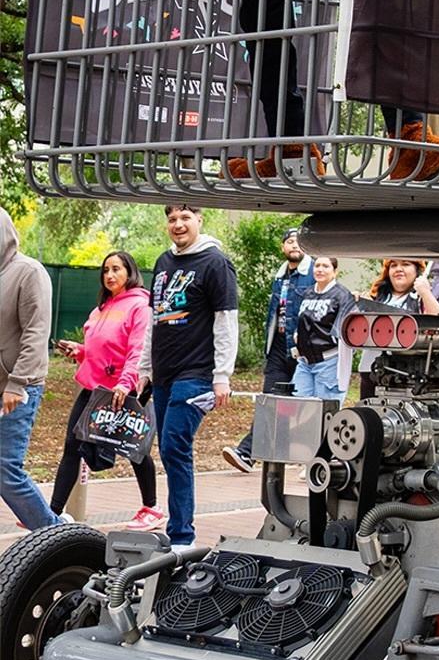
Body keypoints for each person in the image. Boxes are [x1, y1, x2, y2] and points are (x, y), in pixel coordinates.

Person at [139, 204, 238, 548]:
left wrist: (222, 375)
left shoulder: (215, 263)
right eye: (172, 219)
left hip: (196, 373)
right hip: (163, 374)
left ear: (199, 219)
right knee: (168, 452)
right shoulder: (163, 262)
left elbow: (226, 321)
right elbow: (153, 319)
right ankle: (179, 530)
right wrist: (144, 369)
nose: (178, 224)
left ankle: (183, 537)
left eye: (185, 218)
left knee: (174, 445)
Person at [51, 251, 162, 530]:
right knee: (72, 446)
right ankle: (51, 514)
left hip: (122, 390)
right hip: (93, 388)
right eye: (105, 270)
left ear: (130, 272)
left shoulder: (140, 305)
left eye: (116, 269)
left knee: (134, 449)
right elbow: (100, 349)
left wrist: (126, 383)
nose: (110, 275)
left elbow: (138, 350)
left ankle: (151, 508)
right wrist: (79, 351)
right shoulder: (101, 308)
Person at [223, 229, 314, 473]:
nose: (294, 245)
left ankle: (309, 459)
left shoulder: (314, 272)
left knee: (303, 407)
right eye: (289, 241)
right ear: (283, 247)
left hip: (304, 351)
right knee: (270, 401)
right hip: (277, 347)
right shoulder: (280, 276)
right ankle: (248, 453)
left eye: (299, 241)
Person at [0, 208, 65, 530]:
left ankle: (54, 534)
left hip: (18, 388)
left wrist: (17, 383)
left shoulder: (28, 272)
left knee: (5, 470)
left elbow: (36, 332)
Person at [357, 260, 439, 398]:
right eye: (393, 265)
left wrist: (425, 293)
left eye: (405, 264)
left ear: (417, 270)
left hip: (407, 373)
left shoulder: (423, 296)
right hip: (371, 370)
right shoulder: (376, 296)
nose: (399, 269)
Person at [293, 256, 355, 401]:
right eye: (317, 266)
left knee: (325, 408)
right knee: (299, 405)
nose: (320, 269)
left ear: (335, 271)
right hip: (305, 361)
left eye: (325, 266)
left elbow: (346, 332)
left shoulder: (342, 295)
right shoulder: (307, 293)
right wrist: (297, 335)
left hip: (329, 362)